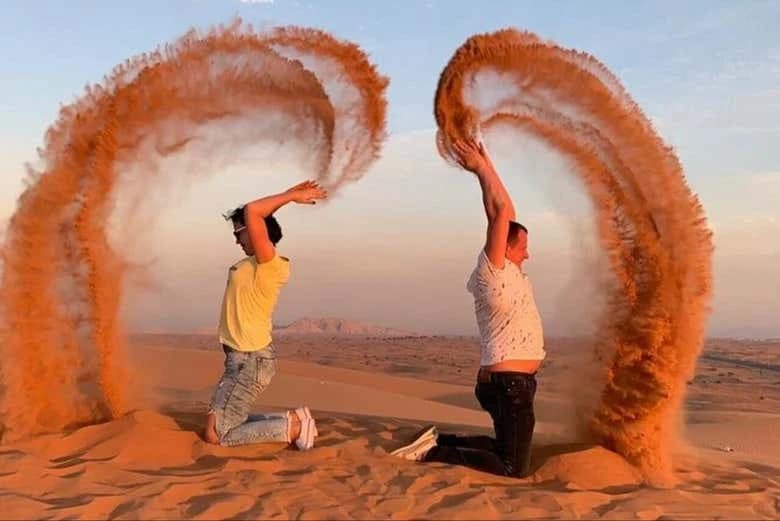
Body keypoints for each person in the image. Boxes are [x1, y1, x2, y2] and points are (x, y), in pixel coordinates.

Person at [391, 140, 545, 478]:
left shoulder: (509, 272)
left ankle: (439, 440)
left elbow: (504, 213)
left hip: (513, 383)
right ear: (504, 246)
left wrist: (487, 164)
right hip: (509, 384)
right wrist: (480, 170)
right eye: (523, 247)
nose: (528, 255)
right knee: (512, 467)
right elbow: (501, 214)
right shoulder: (494, 273)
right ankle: (434, 452)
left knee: (507, 448)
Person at [203, 180, 327, 450]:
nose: (236, 238)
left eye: (239, 231)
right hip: (238, 360)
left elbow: (254, 210)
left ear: (256, 231)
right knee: (218, 423)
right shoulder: (250, 263)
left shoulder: (269, 264)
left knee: (218, 436)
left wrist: (291, 196)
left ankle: (293, 428)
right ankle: (292, 418)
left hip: (251, 361)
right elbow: (255, 214)